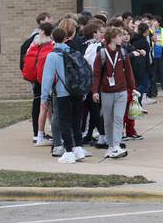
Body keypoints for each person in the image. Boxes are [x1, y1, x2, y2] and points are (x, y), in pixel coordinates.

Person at [41, 26, 90, 164]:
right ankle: (78, 148)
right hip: (77, 92)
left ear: (52, 39)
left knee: (64, 122)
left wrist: (44, 97)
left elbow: (47, 78)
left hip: (62, 93)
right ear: (66, 38)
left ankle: (68, 151)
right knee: (76, 120)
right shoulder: (74, 52)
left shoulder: (52, 56)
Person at [92, 26, 134, 159]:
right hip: (106, 91)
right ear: (112, 38)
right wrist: (95, 91)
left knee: (118, 118)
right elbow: (96, 75)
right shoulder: (102, 54)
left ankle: (116, 145)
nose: (122, 38)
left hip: (121, 90)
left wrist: (133, 88)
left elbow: (129, 72)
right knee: (108, 120)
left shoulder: (122, 52)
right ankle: (110, 146)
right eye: (119, 36)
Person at [21, 22, 55, 147]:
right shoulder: (52, 44)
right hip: (48, 79)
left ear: (41, 31)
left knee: (40, 106)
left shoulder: (35, 44)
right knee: (49, 106)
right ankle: (50, 131)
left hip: (36, 79)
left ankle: (38, 134)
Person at [130, 23, 154, 108]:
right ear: (146, 31)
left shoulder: (134, 40)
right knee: (144, 85)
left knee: (142, 84)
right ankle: (136, 98)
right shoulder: (143, 42)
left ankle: (138, 105)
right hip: (142, 67)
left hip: (135, 66)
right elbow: (146, 58)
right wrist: (149, 69)